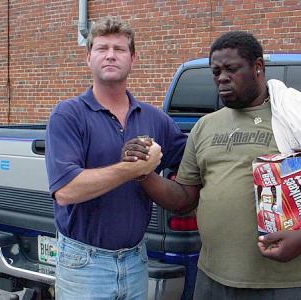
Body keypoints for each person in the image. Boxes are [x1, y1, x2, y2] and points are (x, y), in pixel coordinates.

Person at [125, 31, 301, 299]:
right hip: (212, 278)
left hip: (284, 283)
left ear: (258, 67)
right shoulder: (205, 126)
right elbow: (183, 198)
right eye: (215, 72)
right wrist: (144, 173)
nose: (222, 78)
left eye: (231, 69)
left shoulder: (294, 115)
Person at [45, 16, 186, 300]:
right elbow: (66, 190)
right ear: (89, 58)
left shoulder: (155, 119)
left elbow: (192, 159)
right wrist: (135, 169)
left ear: (132, 58)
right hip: (84, 265)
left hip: (136, 261)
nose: (110, 55)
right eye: (102, 48)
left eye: (120, 49)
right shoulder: (68, 115)